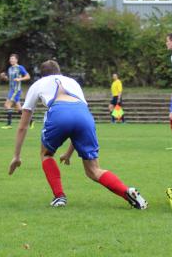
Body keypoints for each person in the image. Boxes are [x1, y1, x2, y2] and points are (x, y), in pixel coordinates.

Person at [8, 60, 148, 209]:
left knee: (46, 154)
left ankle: (59, 196)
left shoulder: (38, 84)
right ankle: (127, 192)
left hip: (59, 112)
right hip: (84, 115)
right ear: (59, 71)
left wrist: (16, 156)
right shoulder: (73, 82)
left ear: (42, 75)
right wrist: (68, 154)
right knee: (93, 170)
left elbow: (23, 126)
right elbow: (76, 121)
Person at [0, 54, 30, 127]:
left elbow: (28, 76)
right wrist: (4, 77)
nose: (11, 60)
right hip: (11, 90)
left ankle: (9, 124)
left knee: (7, 105)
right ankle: (31, 120)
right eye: (10, 59)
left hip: (16, 90)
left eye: (13, 59)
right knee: (19, 109)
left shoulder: (20, 67)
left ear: (16, 60)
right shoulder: (10, 68)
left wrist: (20, 79)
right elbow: (10, 80)